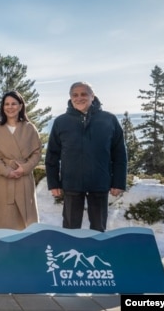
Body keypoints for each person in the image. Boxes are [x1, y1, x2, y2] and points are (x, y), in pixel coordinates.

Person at [45, 82, 127, 232]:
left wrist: (118, 182)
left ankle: (98, 254)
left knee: (98, 229)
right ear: (70, 98)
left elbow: (119, 154)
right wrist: (54, 183)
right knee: (70, 229)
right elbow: (52, 156)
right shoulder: (61, 122)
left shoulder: (109, 120)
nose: (79, 98)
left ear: (92, 96)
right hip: (71, 183)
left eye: (84, 94)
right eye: (75, 95)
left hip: (99, 182)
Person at [0, 90, 42, 230]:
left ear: (21, 106)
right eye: (7, 104)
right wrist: (6, 170)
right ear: (3, 107)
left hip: (24, 179)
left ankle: (28, 248)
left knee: (27, 221)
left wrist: (25, 168)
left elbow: (37, 153)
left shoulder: (30, 128)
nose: (10, 107)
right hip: (5, 180)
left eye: (14, 104)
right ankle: (7, 248)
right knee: (6, 220)